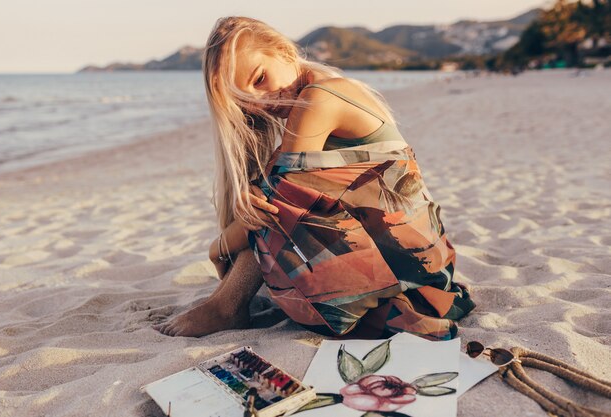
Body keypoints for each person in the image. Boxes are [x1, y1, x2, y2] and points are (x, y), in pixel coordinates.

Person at [153, 16, 475, 338]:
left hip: (413, 269)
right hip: (421, 255)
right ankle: (227, 304)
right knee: (265, 198)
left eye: (260, 78)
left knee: (272, 208)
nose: (261, 101)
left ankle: (225, 307)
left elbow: (278, 208)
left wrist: (218, 246)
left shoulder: (317, 98)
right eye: (245, 102)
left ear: (283, 50)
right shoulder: (324, 88)